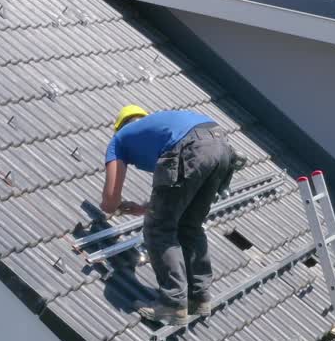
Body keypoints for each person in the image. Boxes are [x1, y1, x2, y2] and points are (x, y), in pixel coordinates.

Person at [101, 105, 236, 325]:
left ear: (119, 127)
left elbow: (109, 201)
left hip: (191, 148)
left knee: (158, 229)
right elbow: (176, 193)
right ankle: (198, 297)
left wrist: (113, 205)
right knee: (189, 225)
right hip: (221, 146)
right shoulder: (160, 128)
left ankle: (173, 305)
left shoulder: (119, 141)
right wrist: (143, 208)